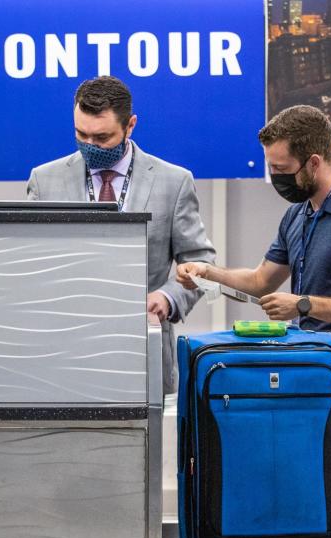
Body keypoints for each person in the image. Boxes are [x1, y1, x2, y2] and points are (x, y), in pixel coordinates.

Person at [177, 105, 331, 538]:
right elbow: (261, 280)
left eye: (281, 169)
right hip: (311, 371)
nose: (275, 179)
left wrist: (304, 305)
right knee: (310, 495)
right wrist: (207, 271)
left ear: (314, 161)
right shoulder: (299, 216)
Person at [27, 76, 215, 393]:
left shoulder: (174, 182)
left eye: (102, 137)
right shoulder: (44, 180)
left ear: (130, 126)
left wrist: (167, 298)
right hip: (61, 353)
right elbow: (29, 261)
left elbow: (200, 262)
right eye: (81, 134)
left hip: (142, 351)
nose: (90, 145)